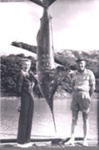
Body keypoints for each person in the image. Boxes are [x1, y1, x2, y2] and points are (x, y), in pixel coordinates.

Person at [65, 56, 95, 146]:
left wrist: (88, 96)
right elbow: (72, 85)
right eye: (78, 63)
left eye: (81, 63)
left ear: (84, 64)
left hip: (85, 94)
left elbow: (93, 87)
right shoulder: (74, 74)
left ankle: (85, 140)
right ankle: (72, 139)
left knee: (85, 119)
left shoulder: (89, 73)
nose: (80, 65)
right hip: (75, 95)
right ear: (77, 64)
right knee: (74, 119)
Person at [16, 58, 37, 148]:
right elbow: (18, 90)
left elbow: (35, 83)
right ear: (22, 65)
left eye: (28, 65)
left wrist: (34, 81)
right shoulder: (21, 74)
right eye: (25, 64)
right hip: (24, 98)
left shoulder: (30, 73)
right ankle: (20, 142)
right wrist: (19, 103)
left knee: (29, 119)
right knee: (23, 120)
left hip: (31, 97)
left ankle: (27, 140)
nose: (27, 66)